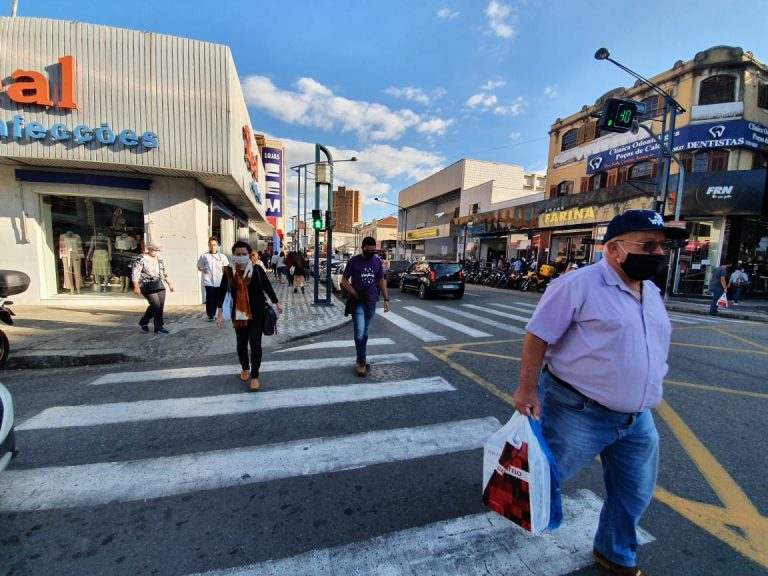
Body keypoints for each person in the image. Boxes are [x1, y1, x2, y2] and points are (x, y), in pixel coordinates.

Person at [513, 210, 688, 576]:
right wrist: (527, 389)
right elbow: (538, 335)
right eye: (649, 245)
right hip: (578, 411)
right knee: (538, 480)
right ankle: (502, 487)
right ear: (614, 249)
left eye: (662, 246)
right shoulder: (578, 285)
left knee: (634, 492)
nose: (659, 254)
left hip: (638, 420)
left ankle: (615, 552)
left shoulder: (651, 292)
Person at [217, 241, 282, 391]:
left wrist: (277, 302)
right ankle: (245, 367)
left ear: (249, 255)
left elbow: (267, 287)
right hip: (239, 314)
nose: (240, 257)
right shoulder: (228, 272)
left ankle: (255, 376)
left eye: (244, 254)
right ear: (233, 255)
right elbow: (221, 293)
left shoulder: (257, 270)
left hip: (258, 313)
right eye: (237, 254)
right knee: (241, 344)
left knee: (255, 344)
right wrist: (219, 313)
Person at [340, 237, 389, 377]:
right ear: (363, 247)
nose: (372, 252)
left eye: (374, 250)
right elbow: (344, 280)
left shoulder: (377, 261)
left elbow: (381, 280)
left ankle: (362, 356)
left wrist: (386, 298)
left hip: (371, 301)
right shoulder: (353, 261)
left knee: (366, 332)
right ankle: (361, 362)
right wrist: (354, 293)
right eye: (369, 250)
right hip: (357, 302)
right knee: (360, 332)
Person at [132, 240, 175, 334]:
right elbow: (135, 272)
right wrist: (136, 286)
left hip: (158, 283)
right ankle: (144, 322)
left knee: (160, 307)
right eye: (156, 250)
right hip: (146, 284)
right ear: (150, 249)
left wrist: (169, 283)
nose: (157, 252)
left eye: (159, 250)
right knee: (155, 305)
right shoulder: (141, 258)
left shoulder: (159, 259)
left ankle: (159, 327)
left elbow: (163, 272)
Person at [197, 237, 229, 321]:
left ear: (217, 245)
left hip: (219, 281)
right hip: (208, 281)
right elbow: (199, 266)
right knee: (210, 297)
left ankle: (219, 314)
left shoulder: (222, 256)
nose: (212, 247)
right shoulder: (204, 256)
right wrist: (203, 270)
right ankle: (210, 315)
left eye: (214, 245)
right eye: (211, 245)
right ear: (208, 245)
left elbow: (226, 268)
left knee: (219, 298)